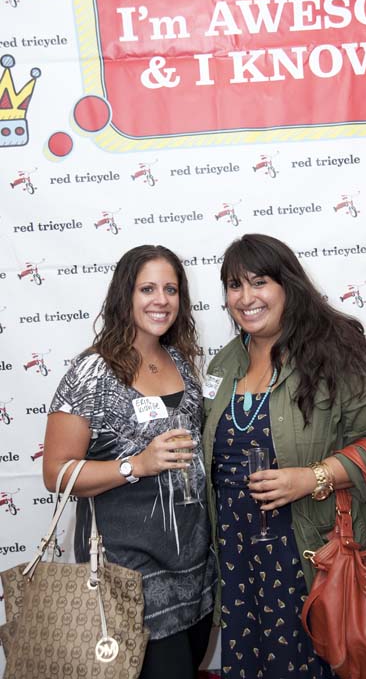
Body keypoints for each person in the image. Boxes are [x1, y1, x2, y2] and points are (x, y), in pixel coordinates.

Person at [203, 234, 366, 679]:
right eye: (235, 285)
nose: (246, 298)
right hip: (238, 557)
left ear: (287, 285)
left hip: (312, 554)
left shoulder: (337, 349)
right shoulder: (223, 365)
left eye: (259, 282)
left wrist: (311, 478)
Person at [43, 245, 217, 679]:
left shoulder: (180, 361)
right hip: (127, 576)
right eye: (147, 289)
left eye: (171, 289)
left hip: (193, 571)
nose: (161, 300)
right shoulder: (92, 372)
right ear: (126, 295)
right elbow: (56, 473)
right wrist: (135, 465)